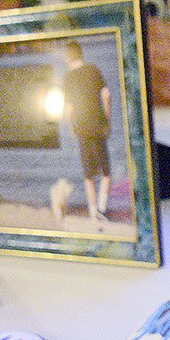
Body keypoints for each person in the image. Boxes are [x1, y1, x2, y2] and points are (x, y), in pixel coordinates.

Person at [61, 40, 112, 223]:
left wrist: (71, 127)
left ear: (68, 57)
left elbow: (69, 108)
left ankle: (92, 212)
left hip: (81, 128)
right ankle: (102, 209)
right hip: (98, 125)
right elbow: (106, 95)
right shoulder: (93, 70)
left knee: (88, 174)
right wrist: (107, 119)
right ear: (81, 54)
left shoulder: (68, 77)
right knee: (106, 172)